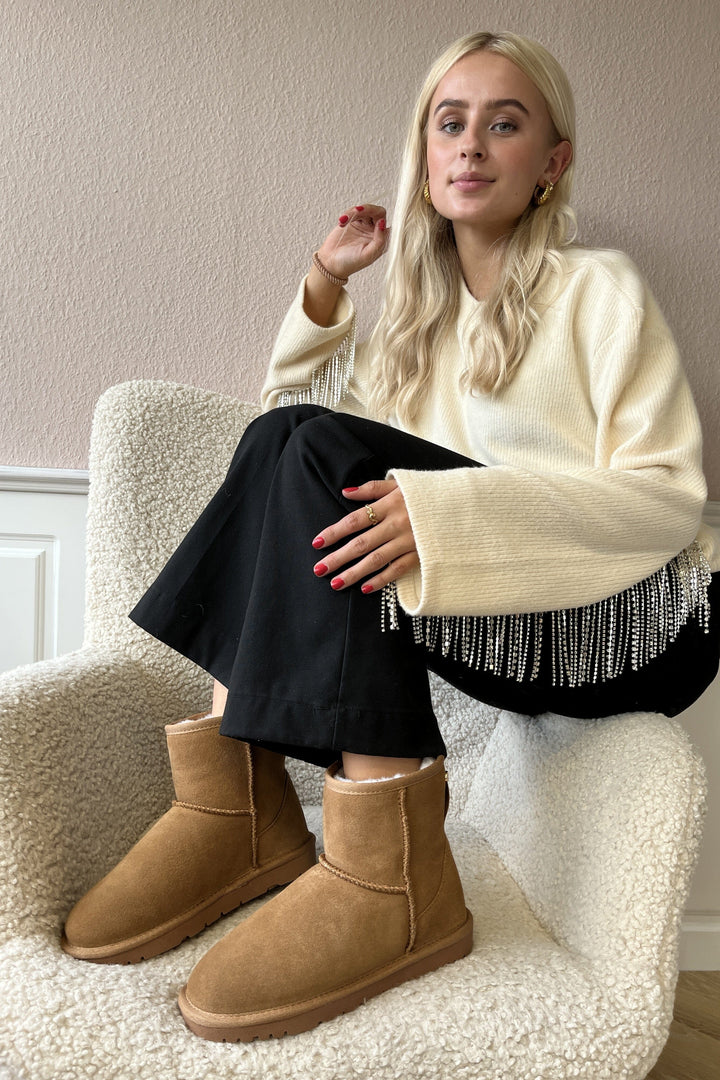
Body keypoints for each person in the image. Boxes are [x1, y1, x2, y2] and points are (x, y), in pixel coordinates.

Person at [62, 31, 720, 1043]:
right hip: (501, 614)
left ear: (552, 162)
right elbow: (286, 452)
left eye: (505, 124)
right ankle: (237, 803)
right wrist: (327, 288)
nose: (471, 146)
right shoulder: (419, 324)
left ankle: (390, 869)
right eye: (449, 124)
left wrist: (447, 517)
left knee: (322, 448)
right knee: (291, 439)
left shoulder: (600, 287)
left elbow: (666, 497)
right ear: (424, 153)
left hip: (638, 624)